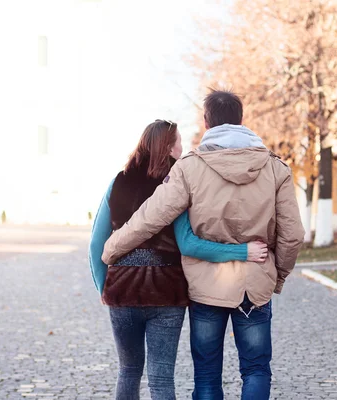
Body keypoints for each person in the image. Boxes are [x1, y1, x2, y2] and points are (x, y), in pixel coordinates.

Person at [102, 90, 305, 400]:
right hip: (256, 285)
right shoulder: (275, 168)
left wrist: (112, 248)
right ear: (241, 119)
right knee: (256, 370)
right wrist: (277, 276)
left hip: (206, 288)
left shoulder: (190, 168)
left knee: (207, 375)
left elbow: (151, 217)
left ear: (207, 121)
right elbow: (292, 235)